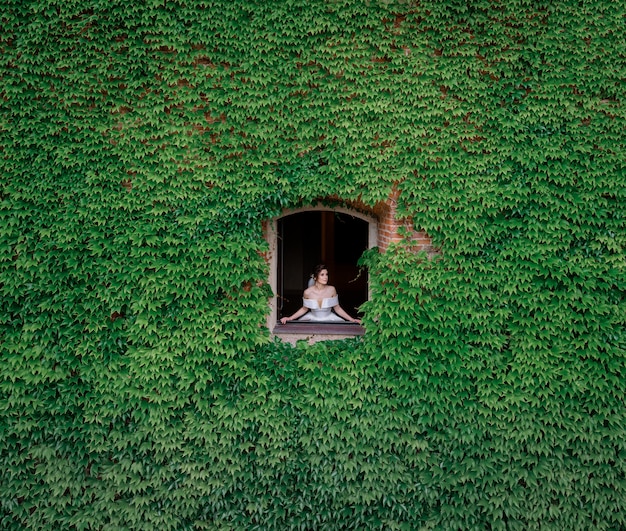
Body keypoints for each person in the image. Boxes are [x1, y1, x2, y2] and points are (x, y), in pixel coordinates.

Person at [280, 264, 361, 324]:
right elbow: (304, 308)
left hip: (330, 319)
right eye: (322, 275)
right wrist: (290, 318)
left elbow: (337, 308)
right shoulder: (307, 292)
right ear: (315, 277)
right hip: (311, 319)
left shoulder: (332, 289)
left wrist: (352, 320)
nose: (326, 277)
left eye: (326, 274)